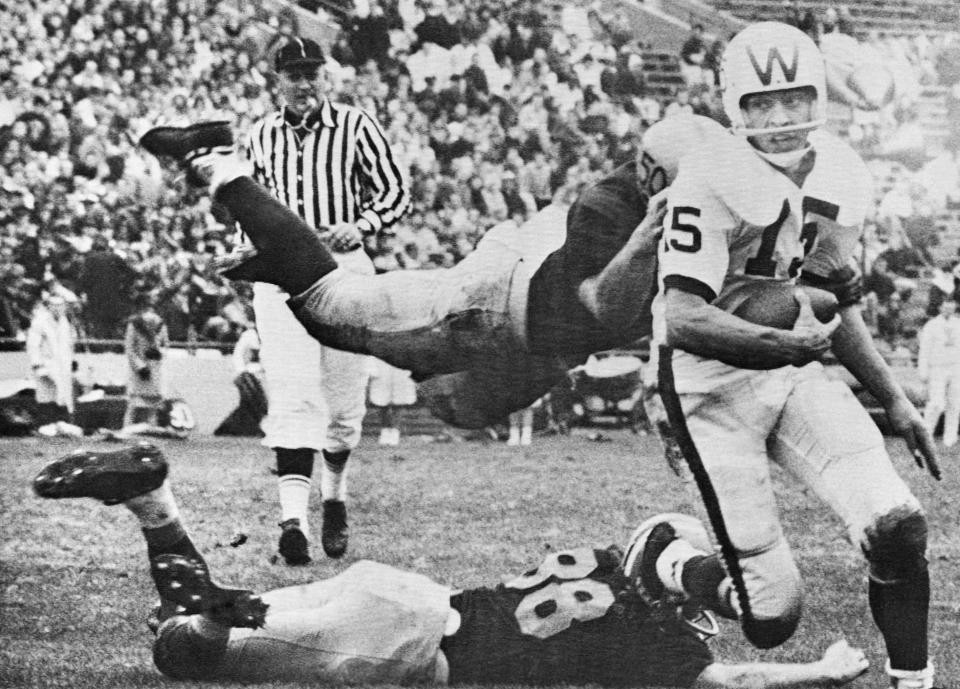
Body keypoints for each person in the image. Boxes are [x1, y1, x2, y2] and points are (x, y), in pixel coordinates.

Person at [140, 114, 831, 434]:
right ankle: (219, 162)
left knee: (460, 408)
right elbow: (603, 306)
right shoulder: (615, 206)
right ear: (655, 180)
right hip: (488, 309)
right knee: (329, 306)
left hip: (534, 322)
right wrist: (652, 232)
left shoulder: (688, 201)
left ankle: (285, 255)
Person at [650, 21, 954, 689]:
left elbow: (831, 301)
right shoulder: (708, 180)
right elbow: (684, 317)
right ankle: (670, 559)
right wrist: (781, 341)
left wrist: (893, 400)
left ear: (820, 96)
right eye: (761, 104)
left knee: (897, 524)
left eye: (794, 99)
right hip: (707, 387)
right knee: (771, 619)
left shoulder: (841, 172)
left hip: (792, 375)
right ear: (734, 108)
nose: (780, 119)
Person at [32, 443, 870, 689]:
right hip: (411, 636)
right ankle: (185, 551)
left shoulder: (619, 561)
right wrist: (819, 667)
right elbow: (730, 680)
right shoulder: (666, 645)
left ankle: (165, 522)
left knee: (183, 642)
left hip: (400, 595)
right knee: (189, 652)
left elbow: (664, 548)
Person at [242, 37, 411, 564]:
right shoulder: (261, 135)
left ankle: (334, 499)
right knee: (293, 392)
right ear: (277, 80)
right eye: (293, 74)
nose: (304, 82)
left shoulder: (356, 126)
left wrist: (359, 224)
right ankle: (292, 522)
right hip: (281, 274)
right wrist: (241, 252)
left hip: (343, 270)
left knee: (342, 402)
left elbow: (395, 192)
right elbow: (245, 207)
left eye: (312, 72)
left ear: (325, 76)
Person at [26, 291, 76, 425]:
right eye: (54, 305)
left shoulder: (66, 322)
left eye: (60, 305)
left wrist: (72, 361)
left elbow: (69, 345)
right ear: (48, 306)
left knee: (63, 395)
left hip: (63, 365)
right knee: (47, 396)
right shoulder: (40, 322)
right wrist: (38, 365)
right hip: (46, 365)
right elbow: (33, 345)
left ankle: (63, 426)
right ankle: (46, 426)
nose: (57, 308)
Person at [917, 298, 960, 447]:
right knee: (936, 403)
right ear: (940, 308)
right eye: (946, 307)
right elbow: (924, 349)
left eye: (951, 308)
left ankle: (950, 438)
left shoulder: (958, 324)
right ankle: (926, 435)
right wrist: (923, 371)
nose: (949, 310)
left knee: (954, 404)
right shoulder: (932, 325)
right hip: (937, 368)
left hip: (955, 367)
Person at [123, 297, 169, 428]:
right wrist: (140, 367)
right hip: (138, 370)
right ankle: (127, 429)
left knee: (153, 406)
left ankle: (151, 430)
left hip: (154, 367)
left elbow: (166, 344)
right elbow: (129, 348)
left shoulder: (161, 324)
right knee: (133, 405)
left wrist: (159, 352)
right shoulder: (135, 324)